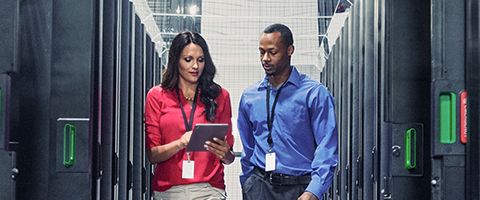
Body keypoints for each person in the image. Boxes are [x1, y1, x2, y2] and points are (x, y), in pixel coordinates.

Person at [238, 23, 338, 200]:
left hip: (300, 189)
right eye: (262, 52)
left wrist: (313, 191)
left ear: (290, 50)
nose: (265, 58)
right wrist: (248, 184)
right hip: (259, 186)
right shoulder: (249, 97)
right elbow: (248, 147)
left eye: (272, 52)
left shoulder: (314, 94)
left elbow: (326, 147)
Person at [145, 31, 235, 200]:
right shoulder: (157, 96)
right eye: (188, 60)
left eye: (200, 60)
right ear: (176, 61)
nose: (195, 66)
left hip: (209, 190)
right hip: (168, 191)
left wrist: (225, 153)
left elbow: (229, 158)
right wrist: (180, 143)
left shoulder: (220, 96)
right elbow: (152, 155)